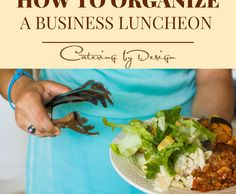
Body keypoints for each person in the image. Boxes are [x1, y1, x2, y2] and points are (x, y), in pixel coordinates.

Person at [0, 69, 234, 194]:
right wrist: (19, 87)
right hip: (70, 154)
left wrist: (203, 144)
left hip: (179, 160)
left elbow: (214, 76)